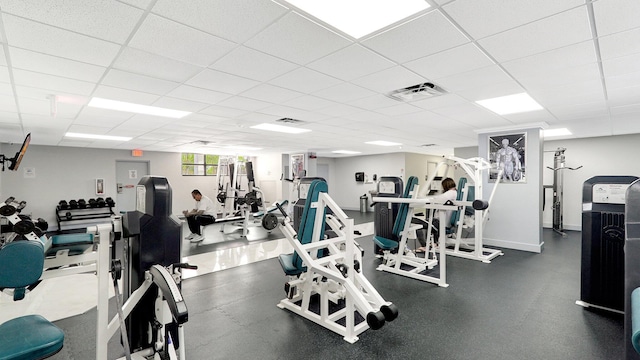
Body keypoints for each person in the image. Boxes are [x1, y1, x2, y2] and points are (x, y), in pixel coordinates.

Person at [415, 177, 457, 253]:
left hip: (441, 221)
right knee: (430, 222)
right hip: (442, 221)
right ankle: (434, 243)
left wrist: (423, 198)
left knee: (418, 225)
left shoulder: (451, 193)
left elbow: (438, 198)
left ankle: (425, 246)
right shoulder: (455, 193)